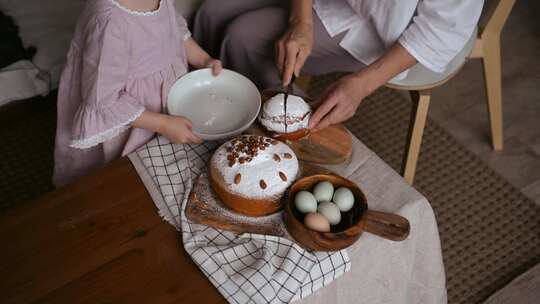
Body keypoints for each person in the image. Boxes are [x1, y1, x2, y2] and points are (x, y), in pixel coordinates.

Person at [193, 0, 483, 131]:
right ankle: (207, 113)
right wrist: (300, 21)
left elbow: (439, 31)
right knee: (213, 10)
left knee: (244, 37)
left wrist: (360, 85)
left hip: (387, 32)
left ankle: (270, 138)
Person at [53, 0, 222, 187]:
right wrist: (164, 124)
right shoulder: (110, 23)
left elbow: (175, 32)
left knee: (159, 162)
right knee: (117, 180)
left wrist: (203, 59)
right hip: (125, 118)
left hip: (162, 106)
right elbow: (103, 101)